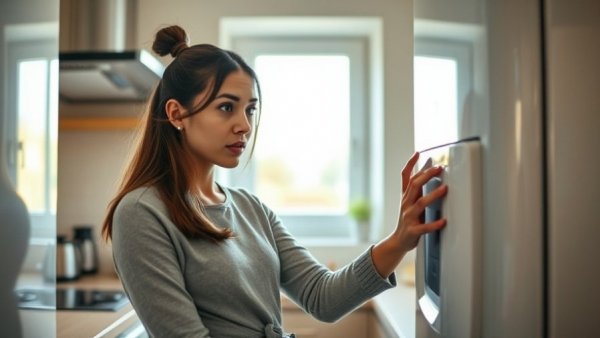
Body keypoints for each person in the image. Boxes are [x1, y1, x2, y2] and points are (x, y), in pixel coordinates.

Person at [102, 25, 448, 338]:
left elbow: (322, 297)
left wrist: (400, 239)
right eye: (226, 107)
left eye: (250, 109)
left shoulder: (250, 208)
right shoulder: (141, 213)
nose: (245, 125)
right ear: (177, 114)